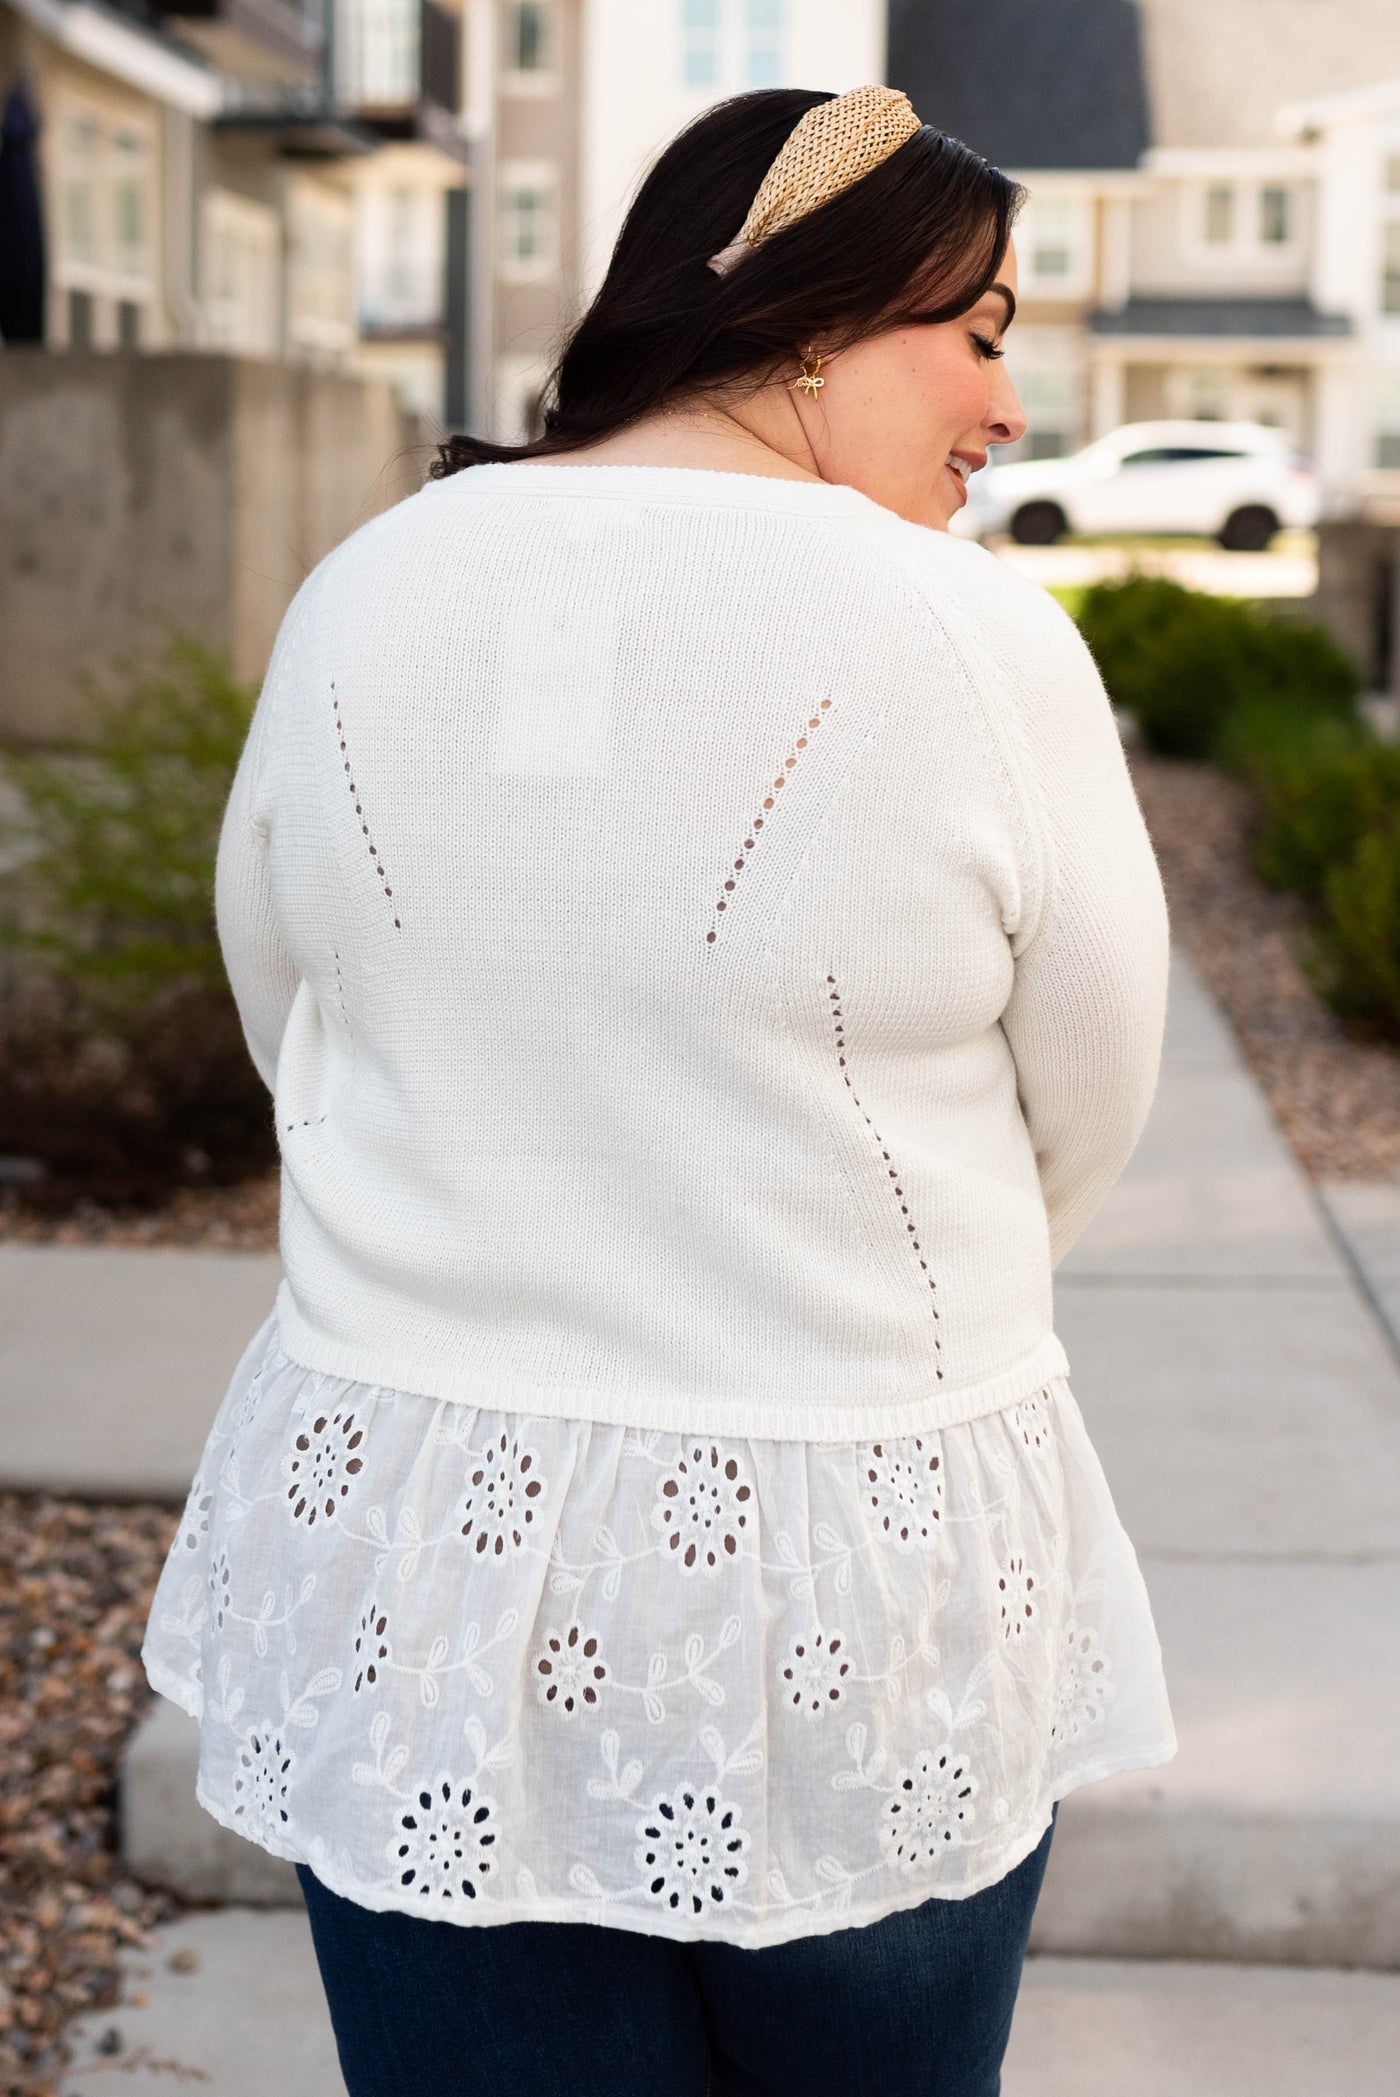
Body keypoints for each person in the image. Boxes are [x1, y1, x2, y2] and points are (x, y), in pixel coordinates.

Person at [139, 84, 1177, 2096]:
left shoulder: (367, 581)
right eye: (974, 336)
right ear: (807, 315)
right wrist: (811, 1266)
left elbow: (303, 1032)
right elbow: (1088, 1098)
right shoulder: (970, 638)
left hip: (427, 1559)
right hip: (851, 1559)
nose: (1007, 407)